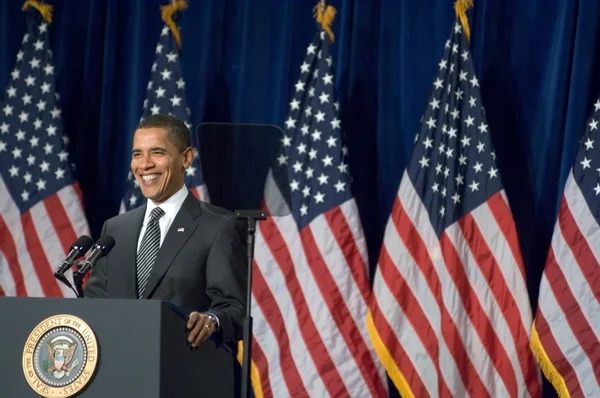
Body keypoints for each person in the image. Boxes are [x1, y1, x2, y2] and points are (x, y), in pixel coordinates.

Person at [84, 114, 247, 349]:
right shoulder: (116, 229)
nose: (145, 164)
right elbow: (95, 303)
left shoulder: (219, 226)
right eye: (137, 154)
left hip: (181, 369)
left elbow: (234, 308)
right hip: (117, 366)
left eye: (157, 152)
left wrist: (212, 320)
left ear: (187, 158)